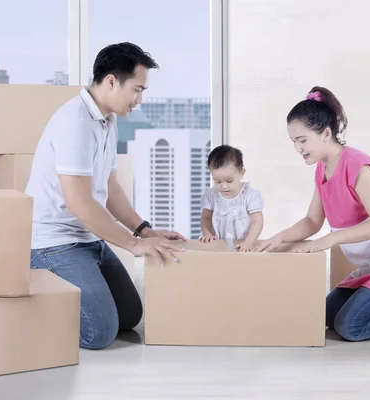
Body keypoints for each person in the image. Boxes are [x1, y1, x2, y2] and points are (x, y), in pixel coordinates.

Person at [26, 42, 186, 350]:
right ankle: (29, 319)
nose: (139, 99)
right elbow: (79, 202)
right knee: (99, 333)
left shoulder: (107, 121)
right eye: (136, 89)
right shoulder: (75, 122)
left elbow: (110, 188)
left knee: (129, 316)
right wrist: (133, 244)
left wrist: (144, 230)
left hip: (88, 240)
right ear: (112, 80)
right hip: (54, 244)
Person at [256, 86, 370, 342]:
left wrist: (329, 241)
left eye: (302, 140)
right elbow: (312, 221)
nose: (298, 148)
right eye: (293, 142)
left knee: (350, 327)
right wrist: (279, 238)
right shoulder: (322, 170)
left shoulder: (358, 167)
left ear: (326, 134)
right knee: (327, 316)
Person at [199, 145, 264, 252]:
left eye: (229, 181)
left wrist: (248, 242)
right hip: (218, 247)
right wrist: (207, 234)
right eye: (217, 181)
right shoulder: (211, 194)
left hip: (243, 246)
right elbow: (205, 218)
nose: (223, 186)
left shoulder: (250, 195)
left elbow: (257, 221)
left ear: (241, 173)